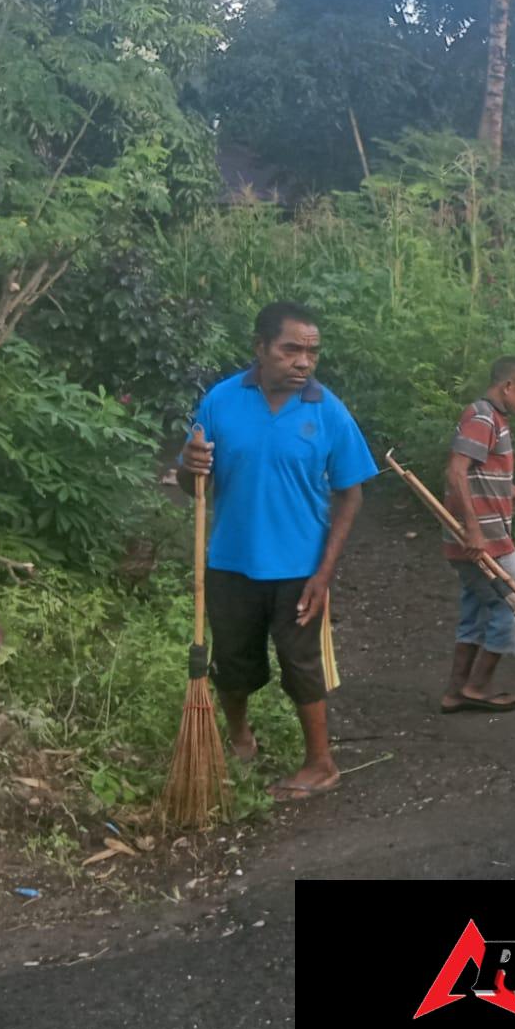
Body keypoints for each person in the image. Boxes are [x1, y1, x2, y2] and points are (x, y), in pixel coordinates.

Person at [179, 301, 378, 801]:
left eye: (312, 352)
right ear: (260, 348)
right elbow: (194, 484)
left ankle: (321, 762)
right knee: (232, 661)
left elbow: (351, 493)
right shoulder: (220, 402)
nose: (304, 362)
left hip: (298, 567)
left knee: (300, 665)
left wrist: (324, 573)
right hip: (229, 560)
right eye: (291, 349)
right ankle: (241, 738)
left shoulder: (326, 410)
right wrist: (189, 464)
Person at [440, 357, 515, 713]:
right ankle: (478, 686)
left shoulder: (492, 420)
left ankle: (456, 691)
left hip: (482, 537)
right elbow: (456, 473)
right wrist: (474, 531)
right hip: (483, 541)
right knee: (514, 604)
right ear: (507, 387)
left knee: (476, 610)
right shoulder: (483, 418)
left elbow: (489, 480)